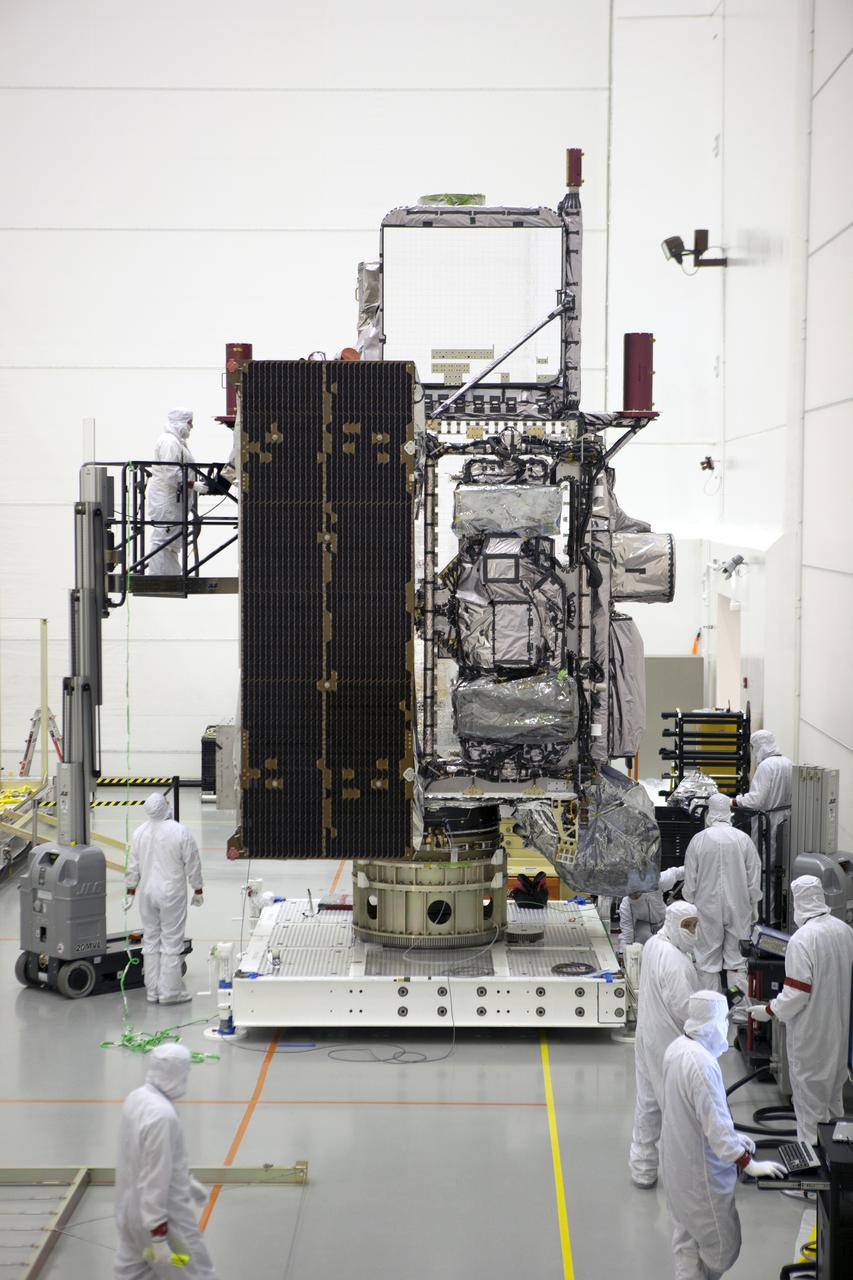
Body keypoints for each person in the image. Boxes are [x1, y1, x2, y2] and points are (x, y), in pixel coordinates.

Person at [660, 991, 785, 1280]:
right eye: (723, 1021)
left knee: (687, 1240)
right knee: (722, 1248)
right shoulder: (702, 1064)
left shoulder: (678, 1048)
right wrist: (748, 1163)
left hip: (678, 1168)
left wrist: (735, 1137)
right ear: (713, 1022)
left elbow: (691, 1115)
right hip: (702, 1178)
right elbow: (715, 1124)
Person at [749, 875, 853, 1144]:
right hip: (838, 1035)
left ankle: (810, 1177)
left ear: (799, 901)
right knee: (833, 1106)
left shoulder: (802, 940)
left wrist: (769, 1010)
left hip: (811, 1039)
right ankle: (836, 1170)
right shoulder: (844, 930)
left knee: (809, 1110)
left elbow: (796, 994)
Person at [114, 1043, 217, 1279]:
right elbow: (155, 1178)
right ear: (177, 1072)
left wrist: (187, 1180)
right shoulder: (163, 1115)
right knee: (197, 1273)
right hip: (166, 1223)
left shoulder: (137, 1098)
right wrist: (159, 1235)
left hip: (130, 1218)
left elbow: (139, 1157)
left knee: (133, 1273)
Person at [629, 900, 701, 1188]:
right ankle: (686, 1178)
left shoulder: (654, 945)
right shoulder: (678, 963)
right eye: (687, 926)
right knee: (679, 1112)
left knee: (647, 1104)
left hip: (646, 1037)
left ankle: (642, 1169)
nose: (693, 931)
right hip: (670, 1046)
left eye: (695, 925)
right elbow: (687, 1010)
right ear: (673, 924)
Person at [126, 793, 204, 1004]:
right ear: (164, 807)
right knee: (171, 941)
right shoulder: (180, 831)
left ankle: (152, 991)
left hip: (147, 894)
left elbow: (132, 865)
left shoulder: (139, 832)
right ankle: (170, 993)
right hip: (171, 894)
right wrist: (198, 889)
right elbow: (192, 863)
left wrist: (130, 890)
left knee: (150, 942)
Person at [682, 793, 761, 992]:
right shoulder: (744, 840)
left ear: (709, 813)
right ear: (729, 812)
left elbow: (690, 880)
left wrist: (691, 902)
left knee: (707, 962)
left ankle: (710, 1010)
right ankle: (740, 1012)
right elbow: (754, 877)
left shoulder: (698, 840)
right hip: (739, 907)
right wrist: (753, 905)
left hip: (706, 908)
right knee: (737, 961)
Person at [147, 408, 207, 576]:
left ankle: (170, 576)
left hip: (174, 500)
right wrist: (193, 484)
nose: (191, 427)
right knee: (164, 539)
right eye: (189, 423)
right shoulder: (169, 442)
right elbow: (171, 474)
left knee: (172, 543)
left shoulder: (176, 442)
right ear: (180, 423)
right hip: (167, 500)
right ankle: (159, 577)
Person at [619, 864, 685, 950]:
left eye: (636, 890)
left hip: (664, 919)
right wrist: (623, 952)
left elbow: (676, 873)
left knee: (673, 941)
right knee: (643, 939)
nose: (634, 895)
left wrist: (698, 868)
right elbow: (627, 933)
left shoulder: (656, 883)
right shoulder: (626, 905)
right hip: (643, 927)